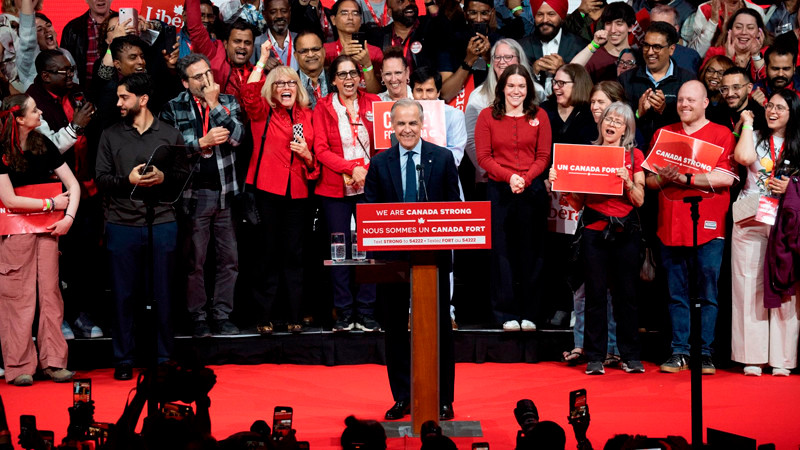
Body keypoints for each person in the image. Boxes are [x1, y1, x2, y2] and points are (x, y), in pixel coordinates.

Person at [364, 98, 460, 421]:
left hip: (432, 260)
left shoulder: (443, 159)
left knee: (439, 329)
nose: (407, 129)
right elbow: (371, 212)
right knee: (394, 329)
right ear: (392, 126)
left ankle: (443, 398)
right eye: (401, 124)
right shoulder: (379, 163)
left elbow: (455, 211)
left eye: (412, 123)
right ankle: (403, 396)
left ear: (423, 125)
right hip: (393, 263)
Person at [95, 73, 187, 381]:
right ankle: (124, 358)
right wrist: (129, 181)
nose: (118, 103)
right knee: (123, 295)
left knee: (164, 292)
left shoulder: (170, 134)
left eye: (124, 97)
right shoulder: (109, 135)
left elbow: (183, 176)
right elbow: (101, 180)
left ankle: (164, 357)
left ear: (143, 99)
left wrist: (163, 177)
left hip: (162, 221)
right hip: (121, 224)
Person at [645, 80, 737, 375]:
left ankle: (705, 353)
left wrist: (682, 177)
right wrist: (664, 178)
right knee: (676, 293)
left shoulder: (721, 134)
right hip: (670, 226)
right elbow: (649, 181)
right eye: (681, 100)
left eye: (691, 100)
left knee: (708, 293)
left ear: (706, 102)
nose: (684, 105)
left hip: (710, 227)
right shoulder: (663, 133)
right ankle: (680, 351)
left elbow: (724, 178)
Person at [549, 102, 646, 375]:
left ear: (627, 128)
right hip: (593, 231)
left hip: (625, 232)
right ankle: (594, 356)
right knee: (594, 295)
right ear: (601, 123)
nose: (612, 124)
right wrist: (563, 184)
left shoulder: (634, 155)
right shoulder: (587, 154)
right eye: (608, 119)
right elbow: (578, 203)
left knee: (626, 295)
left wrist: (628, 181)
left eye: (619, 120)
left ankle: (630, 355)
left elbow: (640, 199)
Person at [160, 53, 245, 338]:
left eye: (208, 73)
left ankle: (222, 315)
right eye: (198, 77)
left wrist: (214, 104)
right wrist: (200, 143)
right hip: (194, 193)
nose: (207, 80)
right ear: (185, 82)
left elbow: (238, 137)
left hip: (226, 191)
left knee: (228, 259)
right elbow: (168, 150)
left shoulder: (228, 101)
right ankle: (197, 316)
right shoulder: (172, 107)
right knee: (194, 260)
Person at [0, 94, 80, 386]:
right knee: (16, 297)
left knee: (50, 295)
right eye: (35, 110)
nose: (41, 114)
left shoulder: (42, 143)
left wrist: (68, 217)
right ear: (19, 118)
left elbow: (72, 185)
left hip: (48, 229)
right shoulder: (1, 149)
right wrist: (52, 204)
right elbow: (9, 199)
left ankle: (54, 361)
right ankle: (19, 365)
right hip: (14, 231)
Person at [26, 50, 104, 340]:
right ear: (45, 75)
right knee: (57, 262)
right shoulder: (34, 102)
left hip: (85, 187)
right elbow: (45, 151)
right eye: (64, 72)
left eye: (72, 70)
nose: (70, 76)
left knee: (85, 257)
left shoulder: (76, 94)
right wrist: (77, 127)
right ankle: (57, 319)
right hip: (52, 193)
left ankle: (81, 315)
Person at [243, 48, 317, 334]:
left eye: (290, 83)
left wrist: (308, 156)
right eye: (279, 83)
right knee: (267, 254)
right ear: (271, 90)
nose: (286, 87)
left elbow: (315, 159)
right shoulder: (262, 112)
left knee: (294, 255)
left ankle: (295, 315)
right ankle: (264, 316)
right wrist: (262, 59)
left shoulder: (307, 115)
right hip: (268, 192)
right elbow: (250, 91)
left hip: (298, 192)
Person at [475, 64, 551, 331]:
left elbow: (543, 157)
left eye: (521, 86)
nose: (516, 91)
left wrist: (526, 178)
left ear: (528, 88)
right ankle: (505, 313)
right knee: (502, 253)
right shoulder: (487, 116)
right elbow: (484, 157)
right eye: (511, 86)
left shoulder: (540, 115)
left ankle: (531, 313)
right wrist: (510, 177)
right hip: (499, 191)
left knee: (533, 253)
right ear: (502, 88)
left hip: (532, 192)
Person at [731, 89, 800, 377]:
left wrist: (793, 185)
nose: (772, 111)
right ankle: (752, 356)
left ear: (792, 113)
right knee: (748, 286)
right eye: (770, 106)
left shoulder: (798, 144)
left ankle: (783, 358)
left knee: (786, 287)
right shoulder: (756, 135)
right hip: (750, 218)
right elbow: (743, 156)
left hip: (784, 223)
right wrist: (747, 123)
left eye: (780, 108)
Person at [561, 81, 630, 366]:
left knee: (613, 292)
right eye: (593, 102)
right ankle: (584, 346)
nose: (595, 108)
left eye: (601, 103)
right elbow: (577, 200)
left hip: (620, 229)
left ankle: (613, 348)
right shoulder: (586, 143)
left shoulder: (629, 151)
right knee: (584, 290)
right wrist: (563, 184)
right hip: (588, 228)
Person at [312, 54, 380, 332]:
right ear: (333, 80)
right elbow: (320, 149)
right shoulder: (322, 107)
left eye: (353, 73)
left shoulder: (374, 103)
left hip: (370, 187)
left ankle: (365, 312)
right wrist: (352, 168)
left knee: (369, 251)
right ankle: (343, 312)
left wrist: (365, 169)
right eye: (342, 74)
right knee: (339, 251)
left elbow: (384, 144)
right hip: (334, 190)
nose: (349, 79)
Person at [464, 38, 530, 196]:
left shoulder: (537, 93)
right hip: (491, 181)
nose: (502, 62)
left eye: (508, 57)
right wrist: (488, 171)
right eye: (497, 57)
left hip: (528, 180)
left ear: (519, 60)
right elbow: (471, 140)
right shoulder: (478, 96)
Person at [619, 21, 696, 148]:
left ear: (671, 49)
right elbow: (616, 119)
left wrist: (665, 111)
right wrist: (638, 113)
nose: (650, 52)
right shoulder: (626, 79)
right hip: (634, 150)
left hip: (672, 151)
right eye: (646, 46)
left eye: (657, 47)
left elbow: (694, 122)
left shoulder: (688, 81)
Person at [186, 0, 256, 104]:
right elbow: (195, 28)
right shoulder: (213, 53)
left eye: (247, 43)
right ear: (226, 44)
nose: (242, 46)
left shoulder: (257, 74)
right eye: (237, 41)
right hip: (213, 117)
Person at [518, 0, 588, 101]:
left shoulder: (579, 46)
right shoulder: (522, 47)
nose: (545, 20)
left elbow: (586, 86)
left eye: (551, 14)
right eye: (540, 14)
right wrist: (533, 72)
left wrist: (563, 70)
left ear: (561, 16)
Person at [324, 0, 383, 93]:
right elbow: (323, 86)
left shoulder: (375, 52)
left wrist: (367, 66)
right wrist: (340, 59)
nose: (350, 17)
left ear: (360, 20)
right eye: (344, 13)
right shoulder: (325, 51)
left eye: (355, 13)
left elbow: (378, 94)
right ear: (333, 20)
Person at [570, 2, 636, 83]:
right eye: (608, 23)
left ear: (630, 27)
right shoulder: (594, 57)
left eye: (619, 24)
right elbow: (570, 73)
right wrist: (594, 44)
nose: (613, 30)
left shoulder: (639, 56)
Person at [700, 8, 767, 81]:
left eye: (750, 28)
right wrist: (728, 59)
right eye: (738, 27)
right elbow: (707, 83)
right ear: (730, 31)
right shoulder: (715, 53)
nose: (744, 32)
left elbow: (769, 84)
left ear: (759, 32)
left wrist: (756, 56)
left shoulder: (768, 54)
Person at [60, 0, 115, 89]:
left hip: (118, 92)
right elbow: (64, 65)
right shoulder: (72, 29)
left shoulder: (125, 23)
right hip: (84, 92)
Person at [540, 63, 596, 146]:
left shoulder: (590, 113)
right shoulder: (545, 109)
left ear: (577, 85)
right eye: (554, 82)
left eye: (561, 83)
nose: (555, 87)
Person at [707, 66, 766, 133]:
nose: (730, 94)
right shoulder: (714, 115)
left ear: (749, 88)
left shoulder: (760, 116)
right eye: (725, 88)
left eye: (736, 87)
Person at [649, 4, 702, 74]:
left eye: (664, 26)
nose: (658, 30)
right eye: (654, 25)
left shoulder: (690, 57)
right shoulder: (639, 55)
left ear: (676, 29)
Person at [254, 0, 297, 70]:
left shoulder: (301, 41)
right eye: (273, 12)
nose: (279, 16)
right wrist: (261, 63)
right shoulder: (255, 45)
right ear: (264, 15)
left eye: (284, 11)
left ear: (290, 12)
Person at [294, 30, 329, 109]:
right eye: (304, 51)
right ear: (296, 55)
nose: (310, 54)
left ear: (324, 51)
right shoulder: (290, 84)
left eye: (315, 49)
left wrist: (364, 69)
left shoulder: (337, 78)